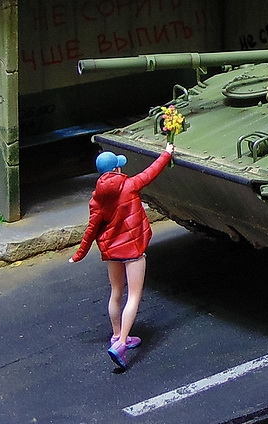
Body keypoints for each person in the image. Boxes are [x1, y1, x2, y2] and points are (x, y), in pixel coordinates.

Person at [69, 141, 173, 370]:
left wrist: (78, 255)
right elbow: (152, 172)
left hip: (112, 251)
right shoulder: (130, 185)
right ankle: (122, 344)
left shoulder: (96, 198)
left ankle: (116, 334)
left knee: (116, 292)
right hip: (133, 250)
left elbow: (91, 230)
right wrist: (167, 153)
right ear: (116, 169)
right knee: (134, 296)